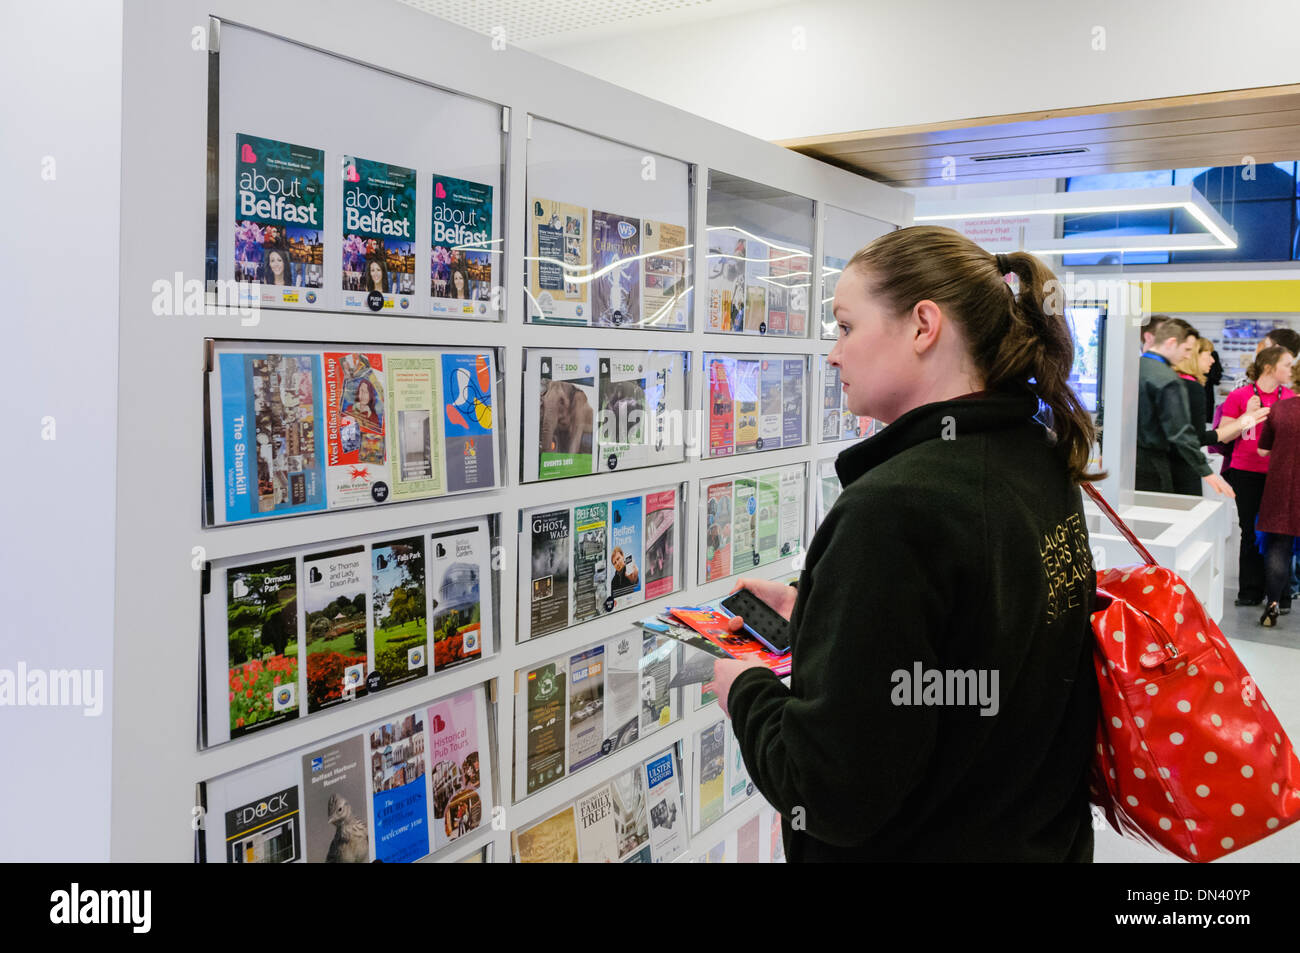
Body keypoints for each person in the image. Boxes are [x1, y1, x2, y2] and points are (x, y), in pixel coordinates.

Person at [706, 226, 1100, 862]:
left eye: (844, 327)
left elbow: (830, 793)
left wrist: (744, 688)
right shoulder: (1039, 459)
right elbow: (983, 632)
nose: (832, 354)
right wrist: (822, 613)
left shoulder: (891, 508)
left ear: (923, 325)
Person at [1220, 345, 1296, 606]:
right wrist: (1245, 416)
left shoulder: (1289, 397)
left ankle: (1277, 595)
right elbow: (1223, 433)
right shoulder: (1240, 395)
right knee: (1249, 532)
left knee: (1280, 535)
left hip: (1281, 476)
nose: (1291, 369)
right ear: (1269, 367)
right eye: (1287, 364)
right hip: (1246, 472)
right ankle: (1250, 592)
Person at [1136, 317, 1234, 497]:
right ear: (1172, 343)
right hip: (1154, 468)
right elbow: (1179, 431)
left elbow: (1106, 413)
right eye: (1187, 349)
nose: (1189, 355)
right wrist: (1206, 471)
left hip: (1127, 463)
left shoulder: (1132, 368)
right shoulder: (1167, 380)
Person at [1255, 395, 1300, 625]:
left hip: (1282, 485)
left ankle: (1272, 605)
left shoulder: (1280, 408)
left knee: (1279, 546)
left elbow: (1263, 450)